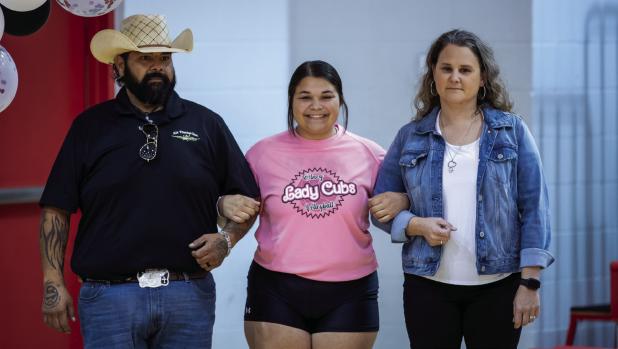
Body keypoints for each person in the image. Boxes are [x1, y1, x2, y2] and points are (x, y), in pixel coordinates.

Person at [38, 14, 258, 349]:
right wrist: (53, 283)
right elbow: (56, 208)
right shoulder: (90, 127)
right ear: (120, 66)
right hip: (109, 299)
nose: (157, 67)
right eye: (145, 59)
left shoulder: (206, 123)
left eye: (164, 58)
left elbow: (248, 199)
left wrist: (225, 242)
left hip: (188, 295)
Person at [372, 29, 555, 348]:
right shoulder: (410, 136)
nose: (454, 77)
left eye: (465, 70)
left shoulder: (512, 131)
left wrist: (530, 282)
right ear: (433, 74)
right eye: (446, 68)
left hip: (498, 287)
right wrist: (414, 224)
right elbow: (380, 208)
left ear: (482, 78)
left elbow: (534, 208)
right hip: (427, 286)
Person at [218, 60, 408, 349]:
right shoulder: (261, 154)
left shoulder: (370, 153)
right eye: (305, 97)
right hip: (276, 288)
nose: (315, 106)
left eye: (326, 96)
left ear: (340, 100)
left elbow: (398, 208)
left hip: (350, 290)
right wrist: (222, 207)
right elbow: (238, 215)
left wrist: (402, 198)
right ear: (291, 101)